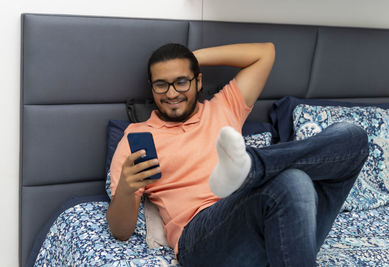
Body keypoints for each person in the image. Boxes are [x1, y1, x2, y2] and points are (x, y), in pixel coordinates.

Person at [106, 42, 369, 266]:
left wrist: (190, 58)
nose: (172, 93)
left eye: (182, 81)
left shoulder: (224, 107)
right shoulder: (137, 136)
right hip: (201, 236)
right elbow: (120, 232)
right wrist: (127, 190)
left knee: (353, 136)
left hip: (282, 226)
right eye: (161, 85)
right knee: (293, 182)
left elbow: (265, 53)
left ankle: (252, 166)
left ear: (199, 81)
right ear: (152, 88)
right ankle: (253, 167)